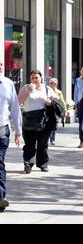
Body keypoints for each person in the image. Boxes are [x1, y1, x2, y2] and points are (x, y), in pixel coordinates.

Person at [18, 70, 56, 173]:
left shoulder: (47, 89)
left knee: (42, 144)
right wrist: (28, 92)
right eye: (32, 78)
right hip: (28, 120)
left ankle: (43, 164)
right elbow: (19, 101)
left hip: (43, 121)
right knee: (29, 144)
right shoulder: (26, 87)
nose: (34, 80)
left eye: (36, 78)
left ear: (41, 78)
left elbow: (56, 102)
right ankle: (28, 164)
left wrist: (50, 102)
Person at [0, 59, 22, 212]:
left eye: (0, 64)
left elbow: (15, 108)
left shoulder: (8, 84)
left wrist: (18, 131)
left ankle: (0, 197)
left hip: (2, 128)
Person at [48, 78, 67, 146]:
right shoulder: (46, 91)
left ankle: (52, 139)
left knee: (54, 124)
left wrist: (65, 110)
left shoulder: (59, 92)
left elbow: (62, 102)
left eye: (52, 83)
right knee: (48, 124)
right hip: (47, 110)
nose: (50, 85)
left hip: (55, 110)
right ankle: (49, 138)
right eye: (50, 83)